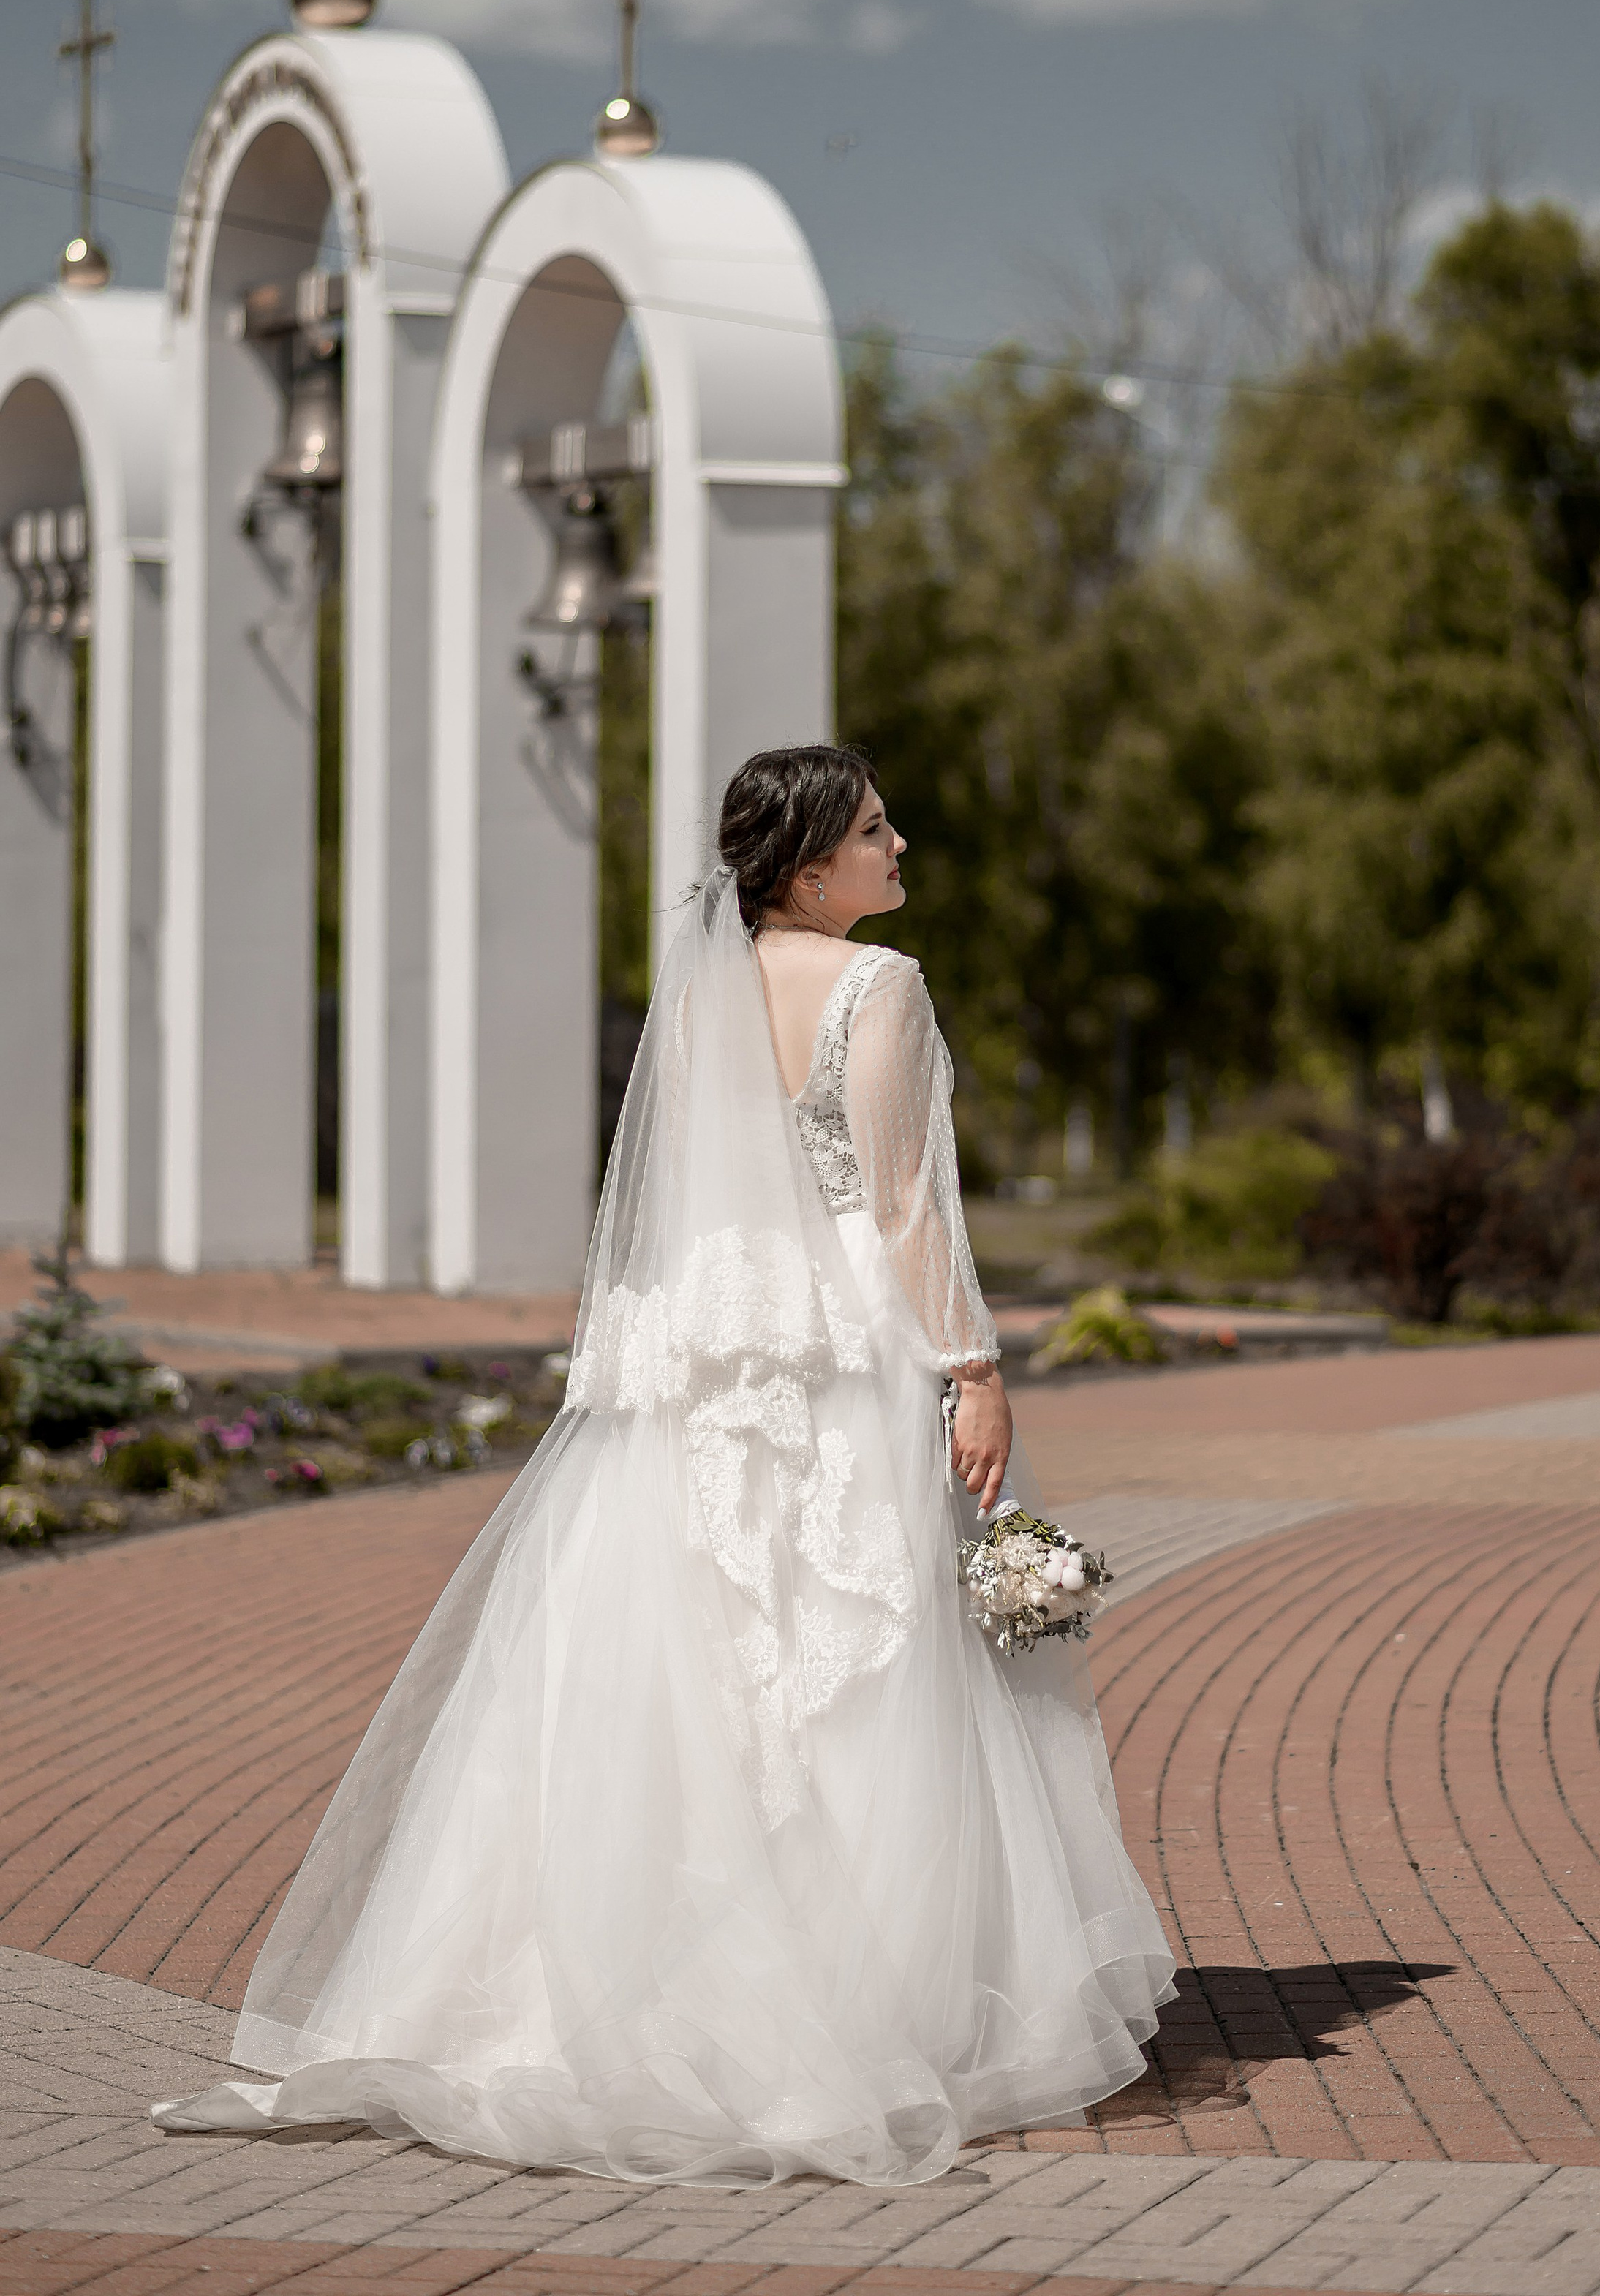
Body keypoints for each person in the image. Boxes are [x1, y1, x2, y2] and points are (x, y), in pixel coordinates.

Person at [154, 745, 1174, 2186]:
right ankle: (861, 2000)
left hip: (703, 1344)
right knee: (858, 1669)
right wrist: (976, 1368)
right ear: (812, 866)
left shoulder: (701, 996)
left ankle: (644, 1985)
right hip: (839, 1354)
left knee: (697, 1661)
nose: (901, 847)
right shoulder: (877, 990)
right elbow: (898, 1206)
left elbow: (687, 1196)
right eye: (877, 831)